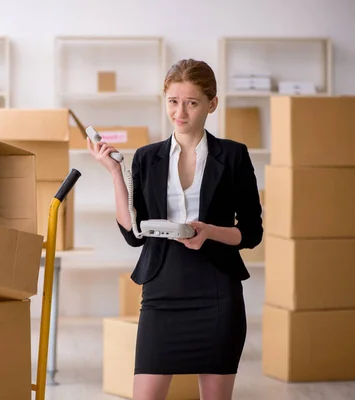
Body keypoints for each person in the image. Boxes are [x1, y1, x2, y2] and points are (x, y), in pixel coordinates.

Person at [87, 59, 263, 400]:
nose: (179, 112)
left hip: (217, 292)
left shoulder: (234, 155)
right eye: (172, 101)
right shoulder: (146, 158)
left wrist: (209, 231)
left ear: (212, 104)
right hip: (161, 289)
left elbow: (251, 232)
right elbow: (133, 233)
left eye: (191, 102)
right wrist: (113, 173)